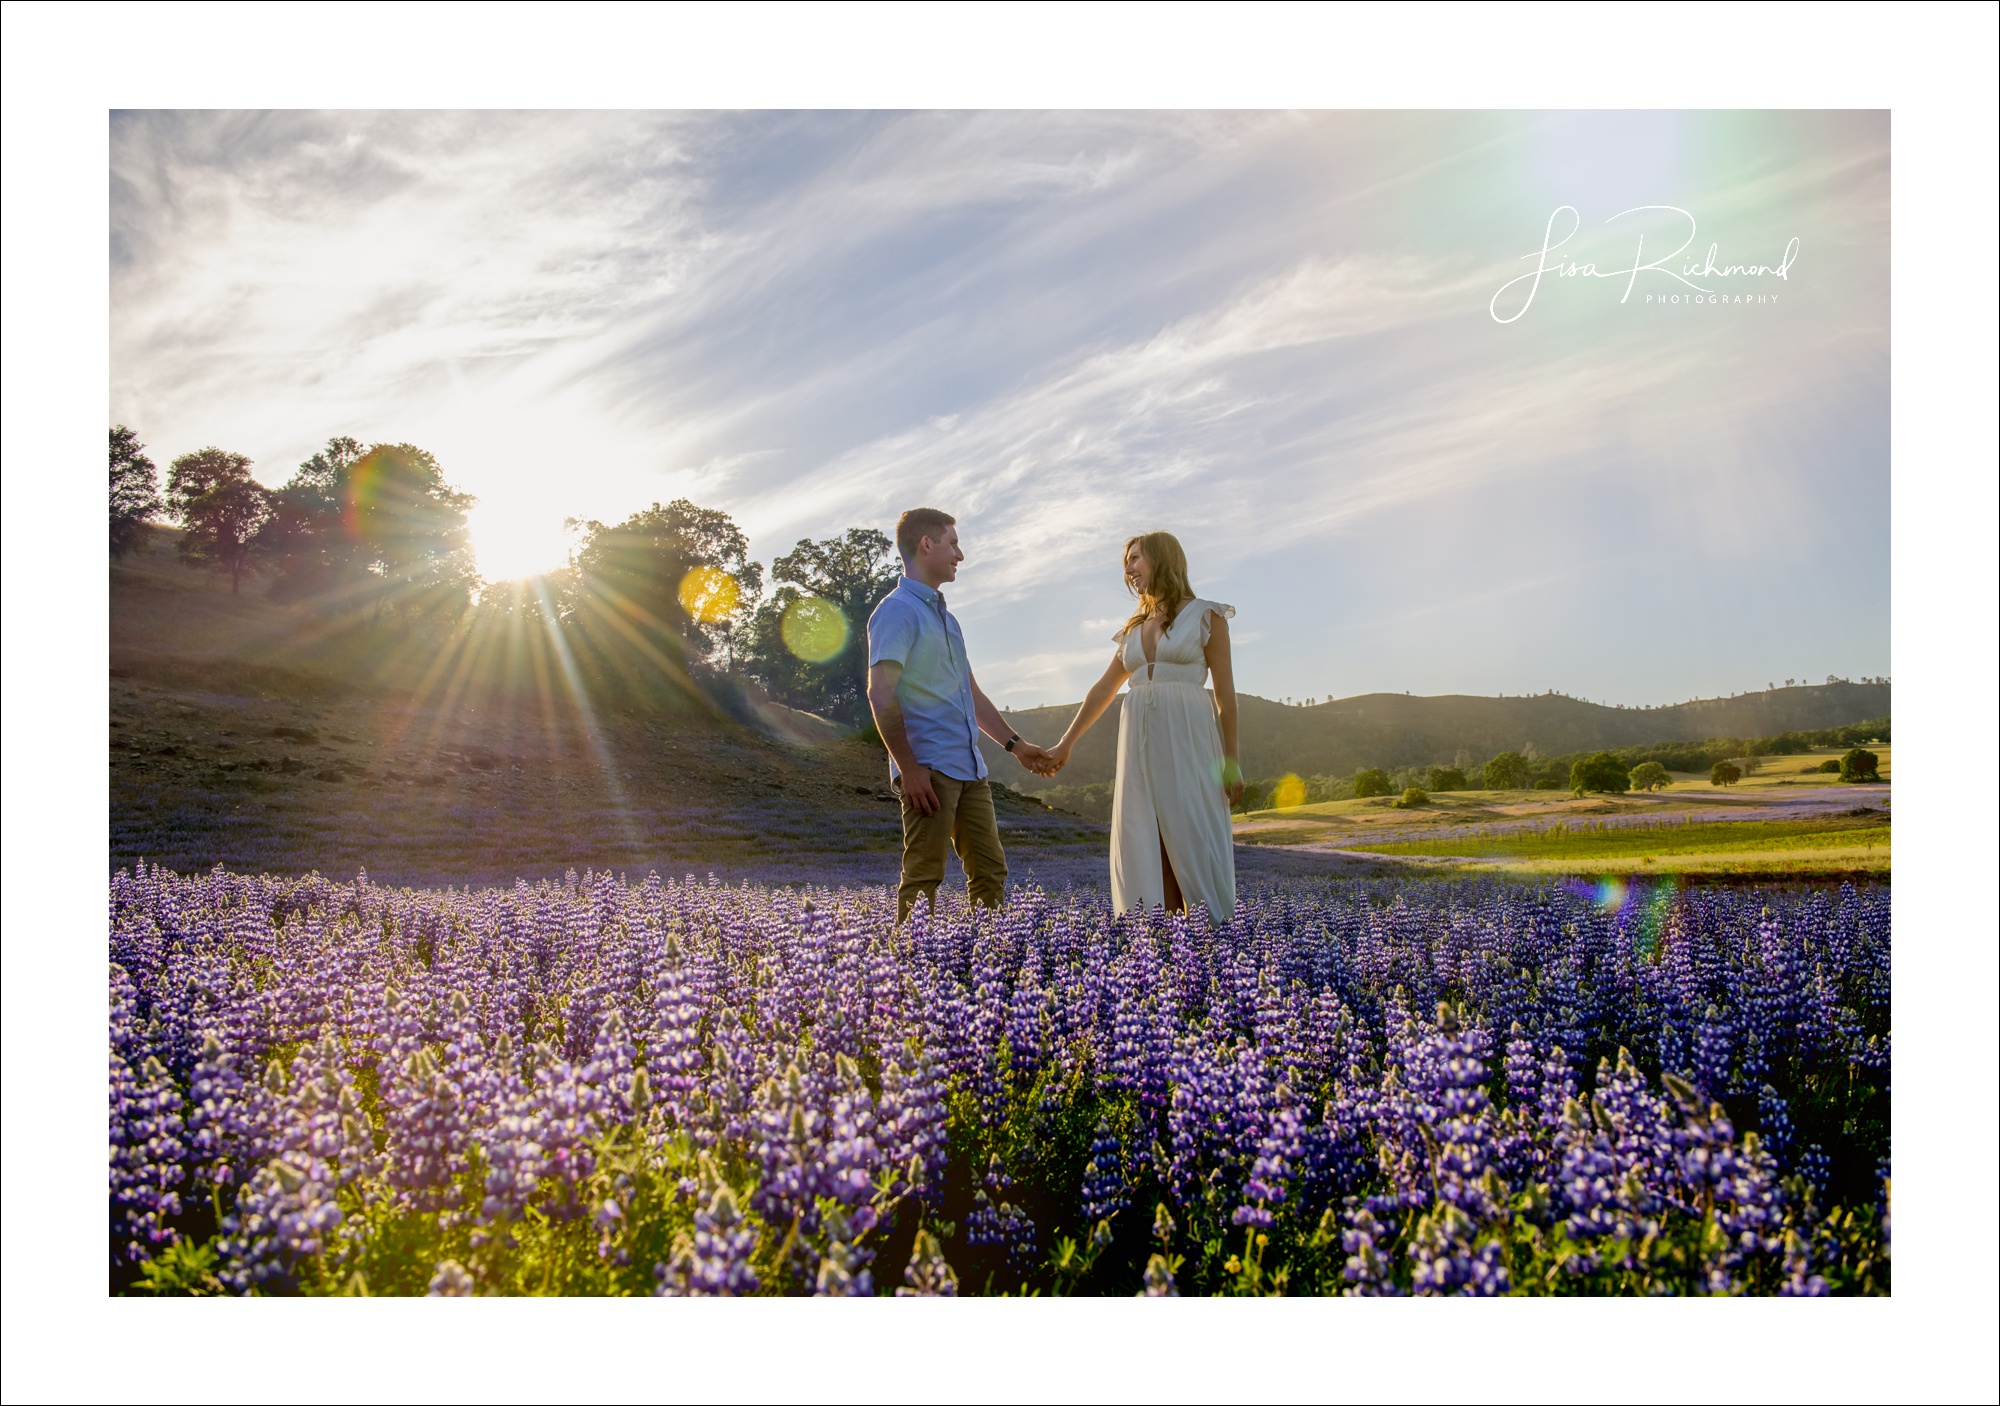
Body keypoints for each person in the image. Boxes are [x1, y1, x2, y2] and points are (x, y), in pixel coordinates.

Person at [866, 507, 1053, 923]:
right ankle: (909, 973)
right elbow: (880, 694)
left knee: (989, 873)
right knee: (924, 875)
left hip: (970, 766)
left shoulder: (947, 620)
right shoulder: (897, 611)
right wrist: (908, 768)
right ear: (926, 544)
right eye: (953, 543)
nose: (960, 555)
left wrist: (1016, 745)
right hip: (928, 770)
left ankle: (990, 963)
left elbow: (971, 694)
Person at [1043, 531, 1242, 921]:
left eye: (1136, 559)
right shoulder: (1133, 628)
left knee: (1190, 835)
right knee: (1147, 838)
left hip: (1188, 738)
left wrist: (1231, 762)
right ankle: (1162, 938)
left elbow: (1226, 697)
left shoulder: (1207, 615)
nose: (1129, 569)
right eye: (1127, 562)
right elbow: (1103, 689)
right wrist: (1066, 743)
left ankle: (1208, 935)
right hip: (1138, 742)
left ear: (1162, 559)